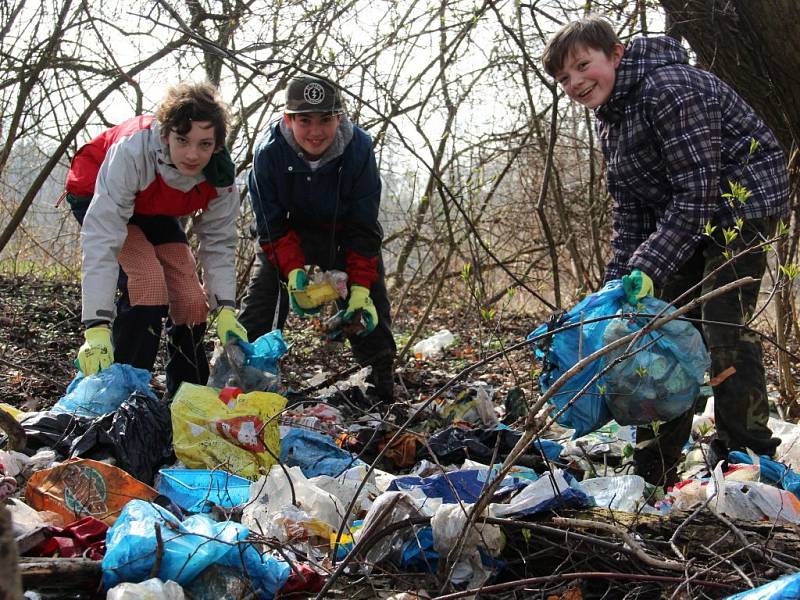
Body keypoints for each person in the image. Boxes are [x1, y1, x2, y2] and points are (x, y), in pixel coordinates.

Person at [543, 17, 790, 486]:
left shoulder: (669, 88)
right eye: (564, 77)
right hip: (687, 216)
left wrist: (651, 263)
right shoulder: (611, 120)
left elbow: (697, 191)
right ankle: (654, 468)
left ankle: (748, 458)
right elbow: (632, 211)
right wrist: (619, 283)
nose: (575, 82)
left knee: (721, 325)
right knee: (653, 329)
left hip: (740, 204)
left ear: (615, 54)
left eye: (582, 65)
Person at [65, 82, 247, 396]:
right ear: (166, 134)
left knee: (191, 301)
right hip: (98, 194)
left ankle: (186, 400)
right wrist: (96, 326)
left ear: (218, 144)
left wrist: (226, 308)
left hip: (156, 208)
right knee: (147, 282)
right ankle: (122, 394)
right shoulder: (133, 151)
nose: (192, 154)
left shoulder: (220, 178)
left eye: (205, 144)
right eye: (182, 140)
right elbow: (103, 236)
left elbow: (218, 243)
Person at [238, 73, 396, 403]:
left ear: (339, 118)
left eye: (325, 120)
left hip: (342, 236)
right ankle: (243, 384)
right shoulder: (268, 154)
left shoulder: (359, 150)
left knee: (369, 306)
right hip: (288, 235)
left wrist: (361, 287)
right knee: (263, 300)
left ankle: (381, 390)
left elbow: (363, 226)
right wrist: (294, 272)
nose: (315, 132)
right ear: (288, 119)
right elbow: (271, 227)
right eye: (304, 120)